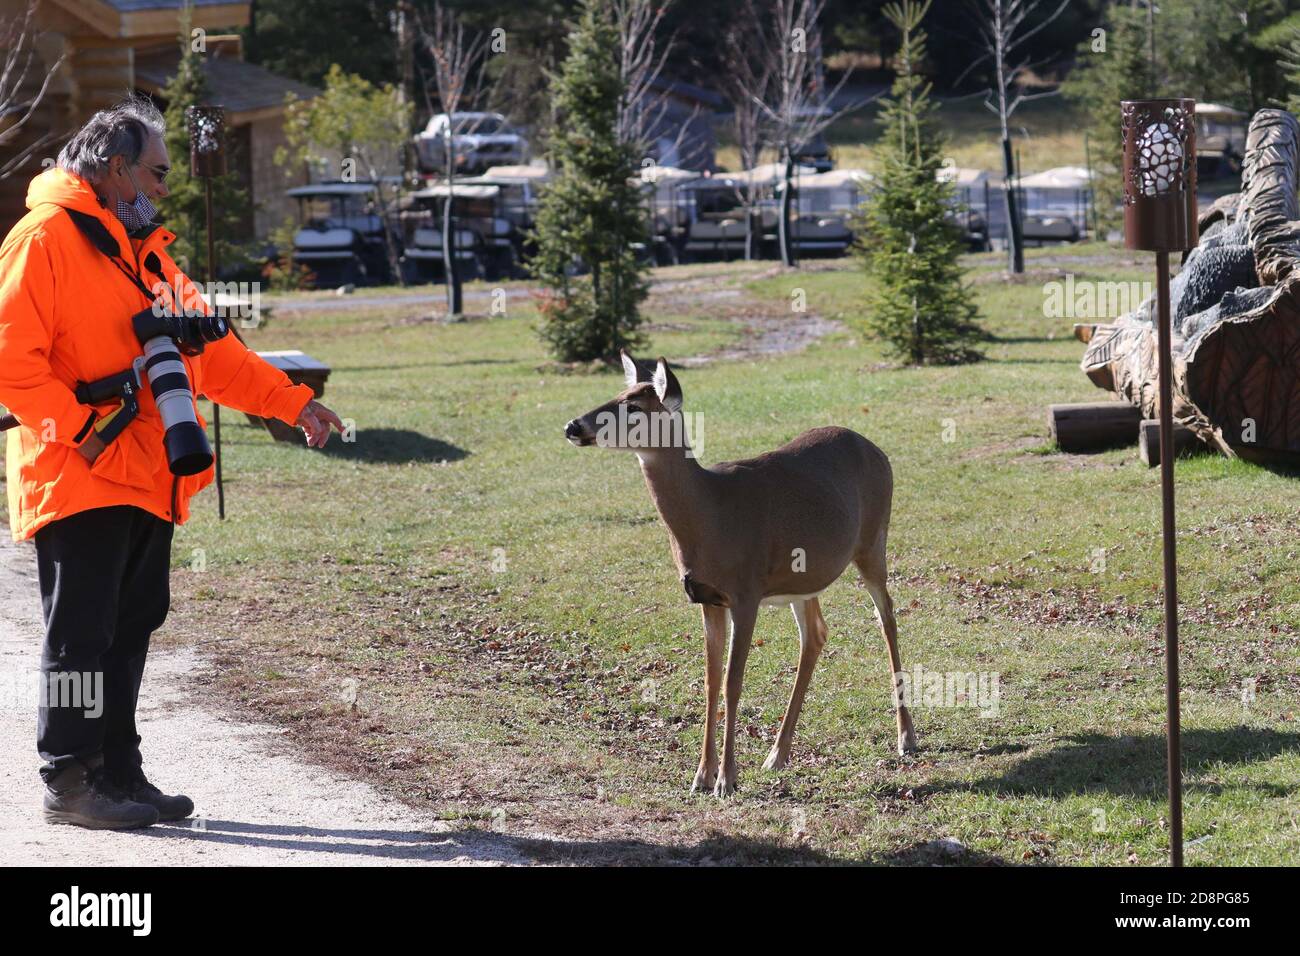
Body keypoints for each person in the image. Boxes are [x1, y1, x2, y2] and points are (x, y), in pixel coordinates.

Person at [0, 95, 344, 830]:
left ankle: (118, 771)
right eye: (156, 172)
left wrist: (292, 403)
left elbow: (213, 353)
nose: (165, 187)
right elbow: (11, 365)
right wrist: (86, 426)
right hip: (77, 471)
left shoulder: (146, 250)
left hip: (147, 474)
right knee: (80, 636)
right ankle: (69, 779)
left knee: (131, 625)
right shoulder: (43, 239)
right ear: (115, 167)